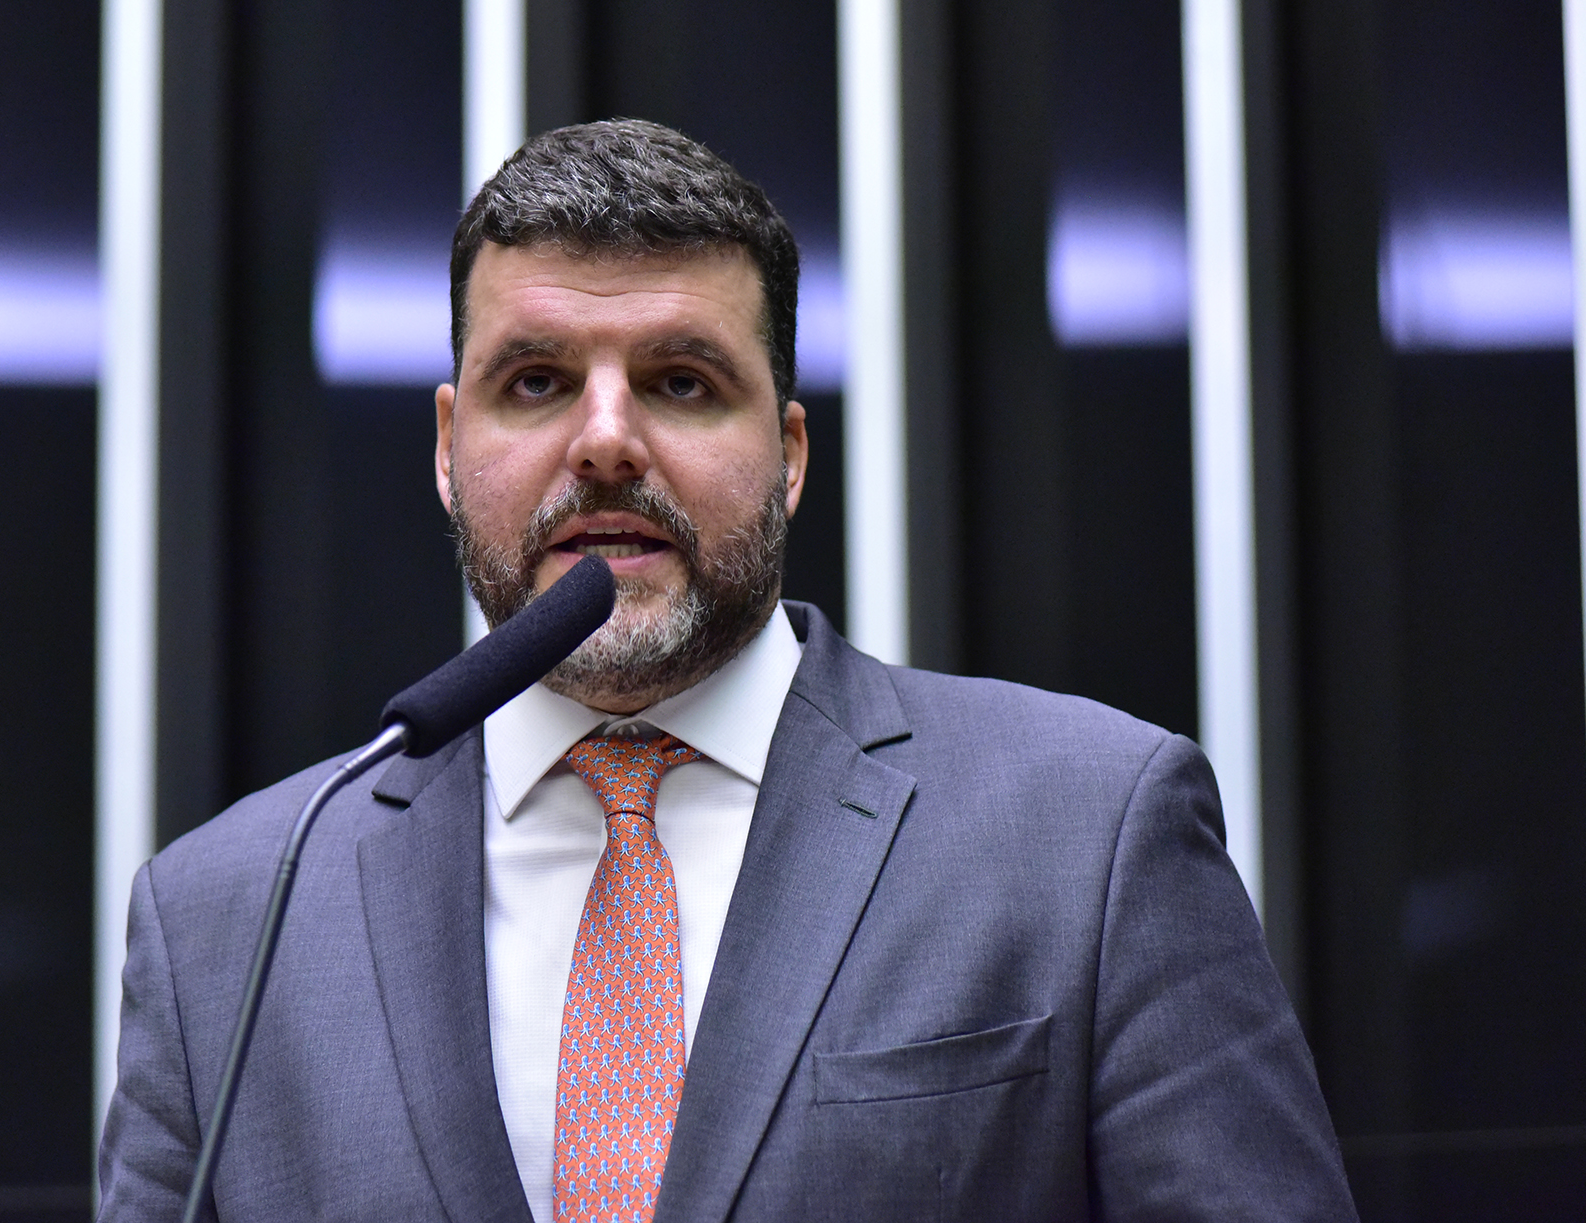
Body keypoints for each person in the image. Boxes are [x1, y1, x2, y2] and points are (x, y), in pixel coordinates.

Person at [98, 119, 1356, 1222]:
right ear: (446, 447)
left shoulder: (1088, 831)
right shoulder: (228, 919)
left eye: (680, 382)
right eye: (534, 382)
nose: (604, 442)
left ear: (790, 454)